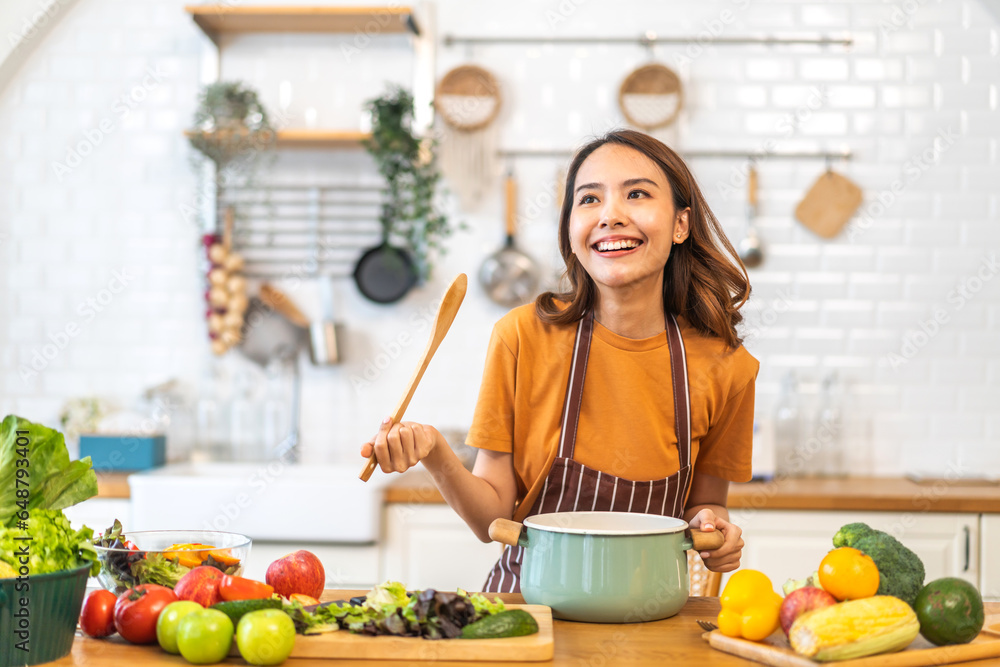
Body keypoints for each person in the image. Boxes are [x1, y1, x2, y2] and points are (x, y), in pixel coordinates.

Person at [360, 129, 758, 594]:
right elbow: (492, 517)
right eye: (589, 200)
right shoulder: (522, 338)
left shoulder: (727, 366)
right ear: (570, 229)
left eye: (636, 194)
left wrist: (716, 532)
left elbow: (707, 509)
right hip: (527, 610)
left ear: (680, 225)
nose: (610, 215)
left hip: (650, 617)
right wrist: (434, 452)